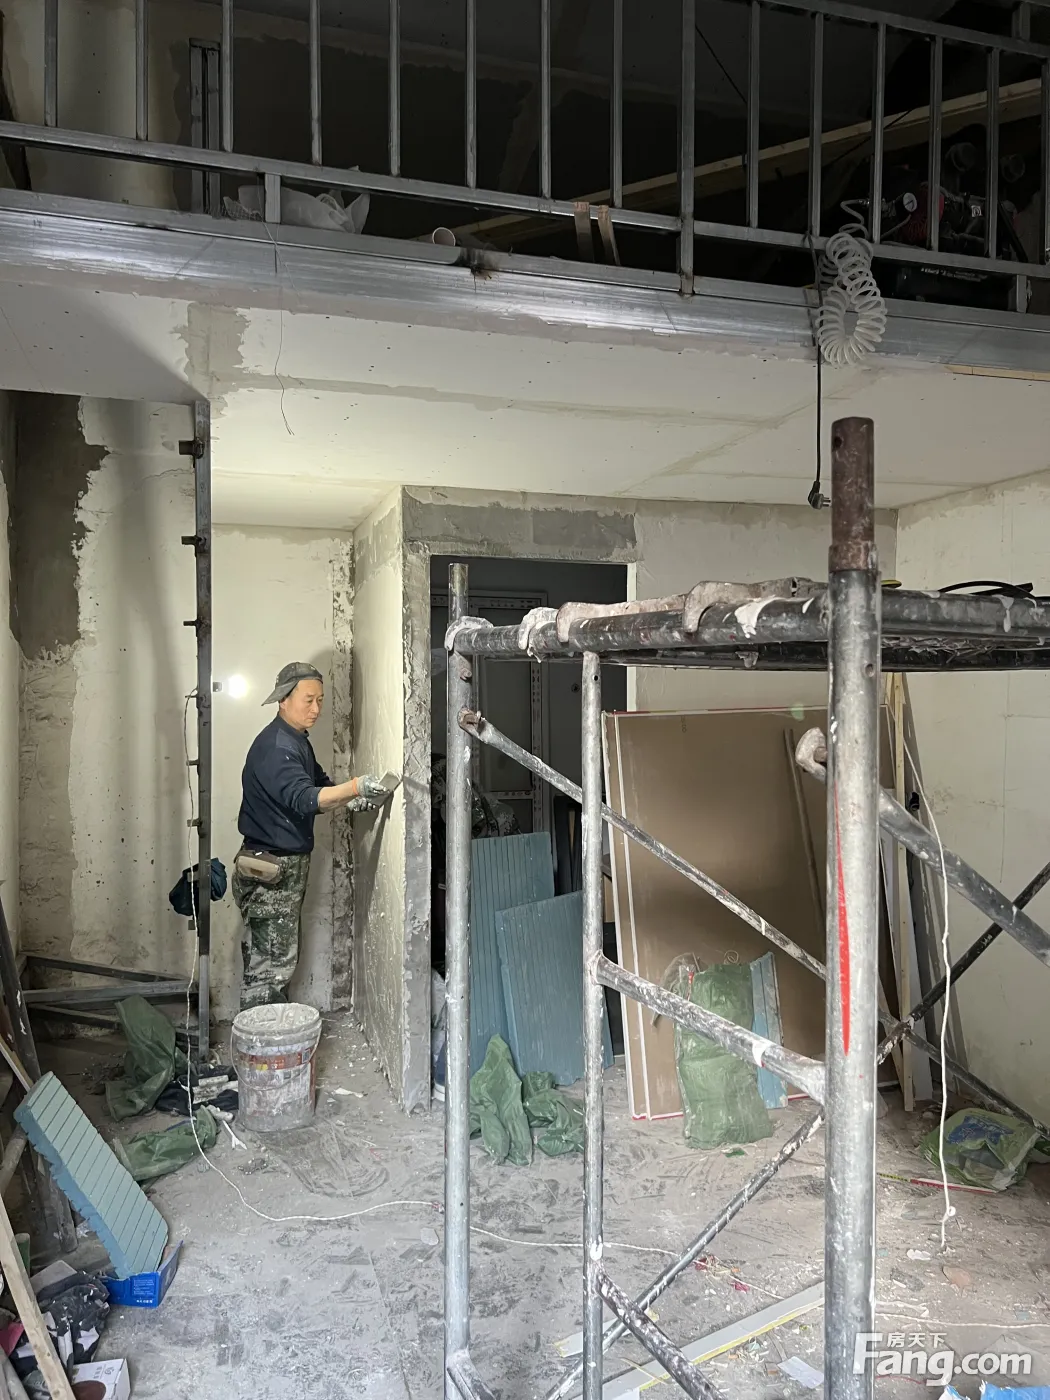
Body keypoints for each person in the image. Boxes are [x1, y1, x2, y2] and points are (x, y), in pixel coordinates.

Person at [233, 661, 388, 1010]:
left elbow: (318, 784)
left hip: (281, 870)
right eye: (308, 700)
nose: (316, 709)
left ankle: (271, 1035)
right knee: (269, 969)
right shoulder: (277, 747)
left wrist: (350, 800)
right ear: (283, 699)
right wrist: (355, 786)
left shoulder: (296, 740)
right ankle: (261, 1039)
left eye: (320, 700)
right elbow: (306, 799)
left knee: (278, 961)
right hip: (271, 873)